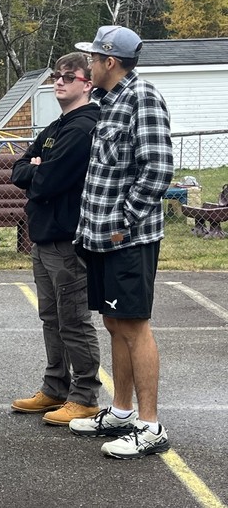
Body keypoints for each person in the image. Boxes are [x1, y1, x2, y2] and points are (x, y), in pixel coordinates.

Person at [67, 26, 174, 459]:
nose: (87, 64)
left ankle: (150, 426)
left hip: (126, 239)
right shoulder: (107, 103)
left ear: (110, 62)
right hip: (101, 239)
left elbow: (159, 170)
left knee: (133, 325)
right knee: (114, 324)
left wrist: (125, 222)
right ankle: (122, 412)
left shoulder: (142, 97)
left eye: (92, 58)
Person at [10, 53, 103, 425]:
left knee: (73, 319)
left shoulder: (84, 126)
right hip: (43, 237)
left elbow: (46, 180)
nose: (59, 82)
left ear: (87, 83)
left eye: (69, 76)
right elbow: (20, 169)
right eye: (56, 76)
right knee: (50, 316)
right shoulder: (55, 127)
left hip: (68, 239)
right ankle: (55, 387)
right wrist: (35, 169)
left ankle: (85, 395)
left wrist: (37, 171)